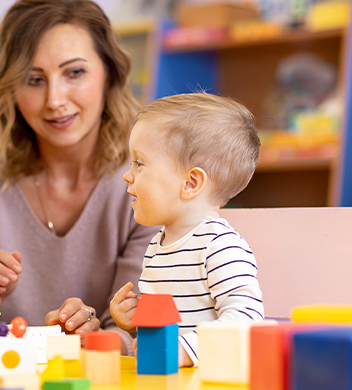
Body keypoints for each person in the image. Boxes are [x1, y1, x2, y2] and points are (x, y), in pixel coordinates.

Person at [0, 0, 159, 353]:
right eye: (34, 79)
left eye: (74, 73)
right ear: (9, 88)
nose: (54, 100)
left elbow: (140, 331)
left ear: (109, 73)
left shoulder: (146, 185)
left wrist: (93, 339)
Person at [109, 92, 265, 367]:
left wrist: (184, 349)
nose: (127, 174)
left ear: (191, 183)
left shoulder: (220, 245)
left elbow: (247, 320)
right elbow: (169, 328)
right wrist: (134, 325)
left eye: (139, 163)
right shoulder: (158, 246)